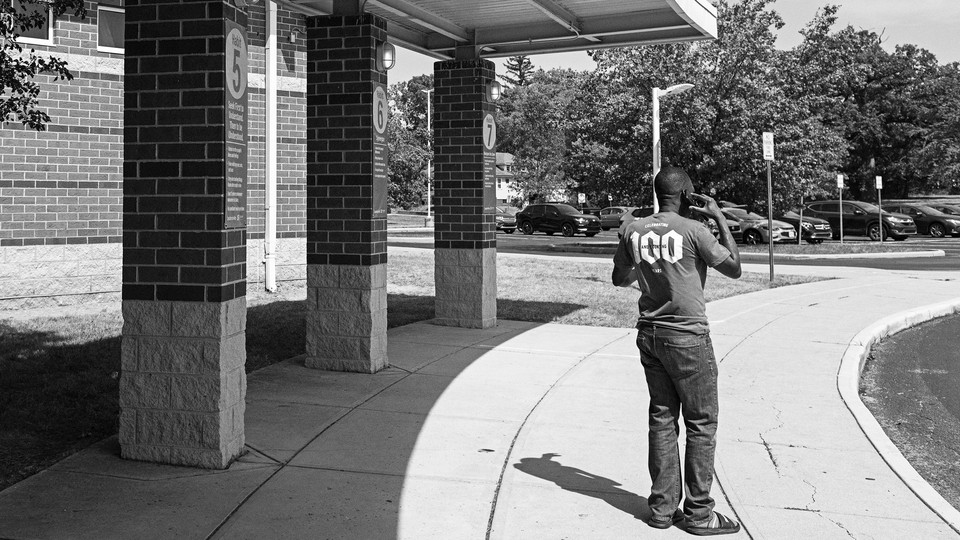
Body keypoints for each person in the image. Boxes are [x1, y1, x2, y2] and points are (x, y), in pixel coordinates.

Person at [611, 166, 742, 536]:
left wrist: (649, 262)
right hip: (686, 337)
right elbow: (734, 268)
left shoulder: (634, 230)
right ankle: (700, 514)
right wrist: (718, 217)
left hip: (650, 334)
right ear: (686, 195)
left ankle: (662, 509)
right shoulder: (694, 229)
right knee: (701, 423)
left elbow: (620, 278)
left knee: (663, 418)